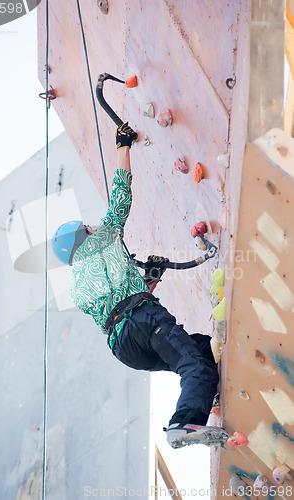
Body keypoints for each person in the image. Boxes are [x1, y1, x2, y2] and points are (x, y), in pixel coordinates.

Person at [52, 123, 226, 448]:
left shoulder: (78, 286)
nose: (93, 229)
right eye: (87, 229)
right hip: (143, 323)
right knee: (195, 364)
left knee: (201, 348)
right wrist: (123, 146)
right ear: (83, 238)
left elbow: (121, 307)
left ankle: (211, 395)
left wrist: (152, 280)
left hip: (125, 348)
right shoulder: (99, 242)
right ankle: (183, 424)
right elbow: (121, 197)